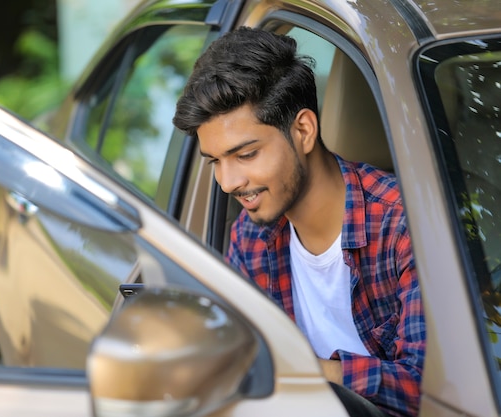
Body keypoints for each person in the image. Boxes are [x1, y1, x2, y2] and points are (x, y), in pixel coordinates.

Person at [172, 27, 425, 417]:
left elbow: (433, 391)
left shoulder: (403, 227)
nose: (228, 183)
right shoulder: (251, 236)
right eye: (214, 162)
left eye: (246, 154)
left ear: (303, 131)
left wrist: (297, 371)